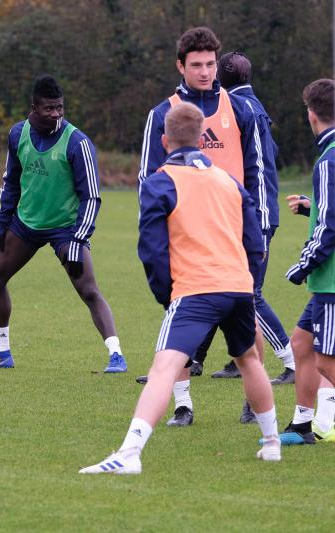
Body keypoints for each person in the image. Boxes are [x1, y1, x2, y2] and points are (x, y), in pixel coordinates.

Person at [79, 102, 280, 475]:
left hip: (196, 289)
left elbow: (152, 250)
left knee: (164, 368)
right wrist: (247, 282)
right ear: (203, 139)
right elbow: (254, 243)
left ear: (164, 139)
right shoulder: (228, 181)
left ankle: (129, 453)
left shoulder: (159, 181)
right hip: (238, 286)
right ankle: (271, 443)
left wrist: (166, 294)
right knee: (248, 359)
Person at [135, 28, 290, 426]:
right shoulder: (162, 114)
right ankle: (183, 405)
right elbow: (148, 178)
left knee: (249, 306)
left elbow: (259, 171)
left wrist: (263, 224)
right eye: (196, 65)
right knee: (178, 311)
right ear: (180, 66)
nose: (204, 72)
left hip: (235, 229)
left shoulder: (240, 109)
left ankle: (252, 402)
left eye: (209, 64)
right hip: (186, 232)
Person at [0, 75, 127, 373]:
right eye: (50, 108)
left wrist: (79, 240)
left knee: (88, 290)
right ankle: (2, 354)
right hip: (26, 224)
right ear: (34, 107)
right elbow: (11, 183)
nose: (56, 114)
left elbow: (91, 197)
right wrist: (2, 223)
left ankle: (116, 356)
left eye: (60, 108)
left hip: (66, 229)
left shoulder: (78, 143)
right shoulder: (18, 134)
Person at [200, 52, 295, 391]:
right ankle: (226, 358)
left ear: (220, 78)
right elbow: (274, 154)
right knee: (223, 285)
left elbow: (259, 166)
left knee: (249, 294)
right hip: (247, 213)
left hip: (254, 215)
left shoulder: (244, 110)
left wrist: (257, 217)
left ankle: (290, 360)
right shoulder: (252, 106)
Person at [276, 79, 335, 445]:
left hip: (330, 279)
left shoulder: (328, 160)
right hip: (326, 280)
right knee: (301, 344)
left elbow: (329, 228)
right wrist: (313, 209)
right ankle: (302, 424)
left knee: (328, 360)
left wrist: (303, 265)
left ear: (310, 114)